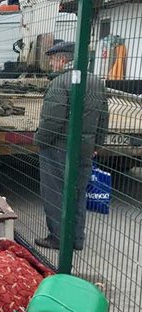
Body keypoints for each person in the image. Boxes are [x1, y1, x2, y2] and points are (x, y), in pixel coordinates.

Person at [34, 41, 109, 251]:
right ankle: (76, 239)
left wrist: (39, 140)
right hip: (84, 148)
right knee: (77, 193)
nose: (51, 64)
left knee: (55, 192)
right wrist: (98, 143)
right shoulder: (95, 81)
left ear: (63, 60)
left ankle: (58, 237)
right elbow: (104, 117)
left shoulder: (59, 83)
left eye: (53, 60)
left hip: (58, 147)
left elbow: (52, 120)